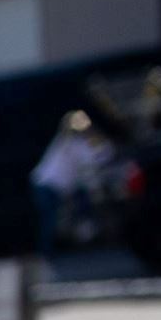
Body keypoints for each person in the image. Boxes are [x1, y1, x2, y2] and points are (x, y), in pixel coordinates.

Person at [31, 110, 112, 261]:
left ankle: (52, 251)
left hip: (52, 185)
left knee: (56, 218)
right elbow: (101, 156)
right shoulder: (72, 143)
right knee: (50, 220)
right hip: (49, 185)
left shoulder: (67, 141)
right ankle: (46, 255)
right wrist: (97, 137)